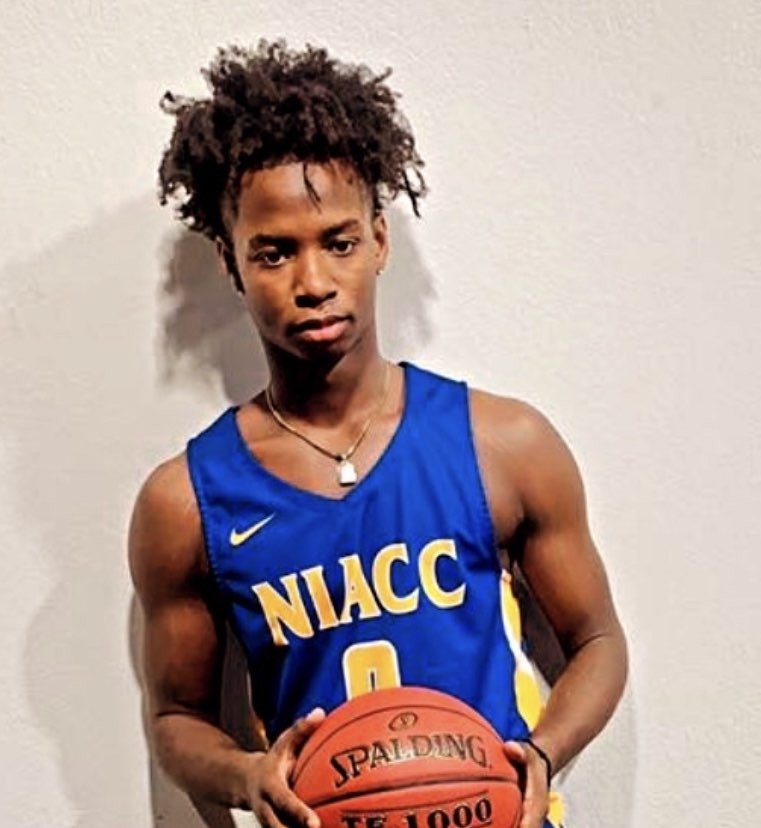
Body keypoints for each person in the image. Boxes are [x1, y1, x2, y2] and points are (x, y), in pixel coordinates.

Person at [129, 40, 627, 828]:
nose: (314, 282)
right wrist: (247, 775)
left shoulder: (503, 443)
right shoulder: (185, 502)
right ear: (230, 262)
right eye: (274, 253)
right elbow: (176, 717)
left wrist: (541, 753)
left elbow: (597, 639)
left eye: (339, 242)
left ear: (379, 241)